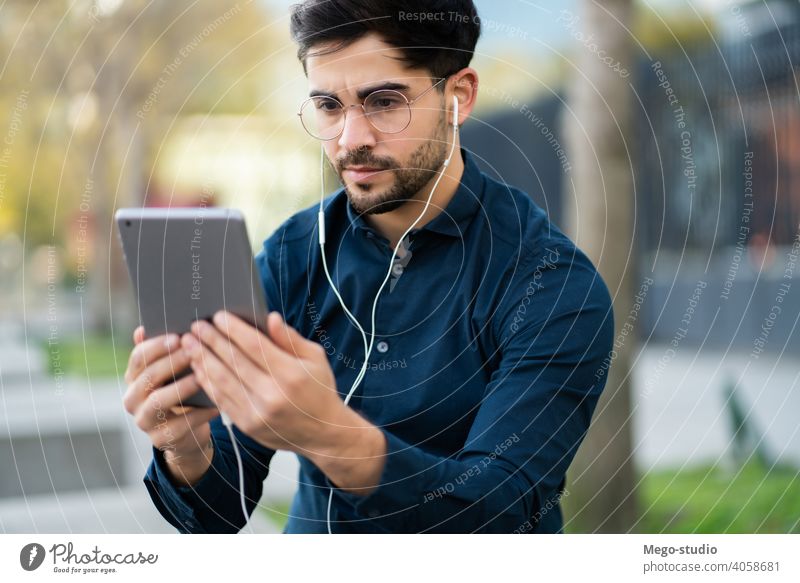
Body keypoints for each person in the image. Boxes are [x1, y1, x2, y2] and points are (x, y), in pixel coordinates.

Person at [123, 0, 614, 534]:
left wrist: (329, 433)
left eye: (383, 102)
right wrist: (184, 447)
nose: (351, 138)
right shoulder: (294, 254)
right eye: (329, 106)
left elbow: (500, 512)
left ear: (460, 96)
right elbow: (219, 511)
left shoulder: (551, 283)